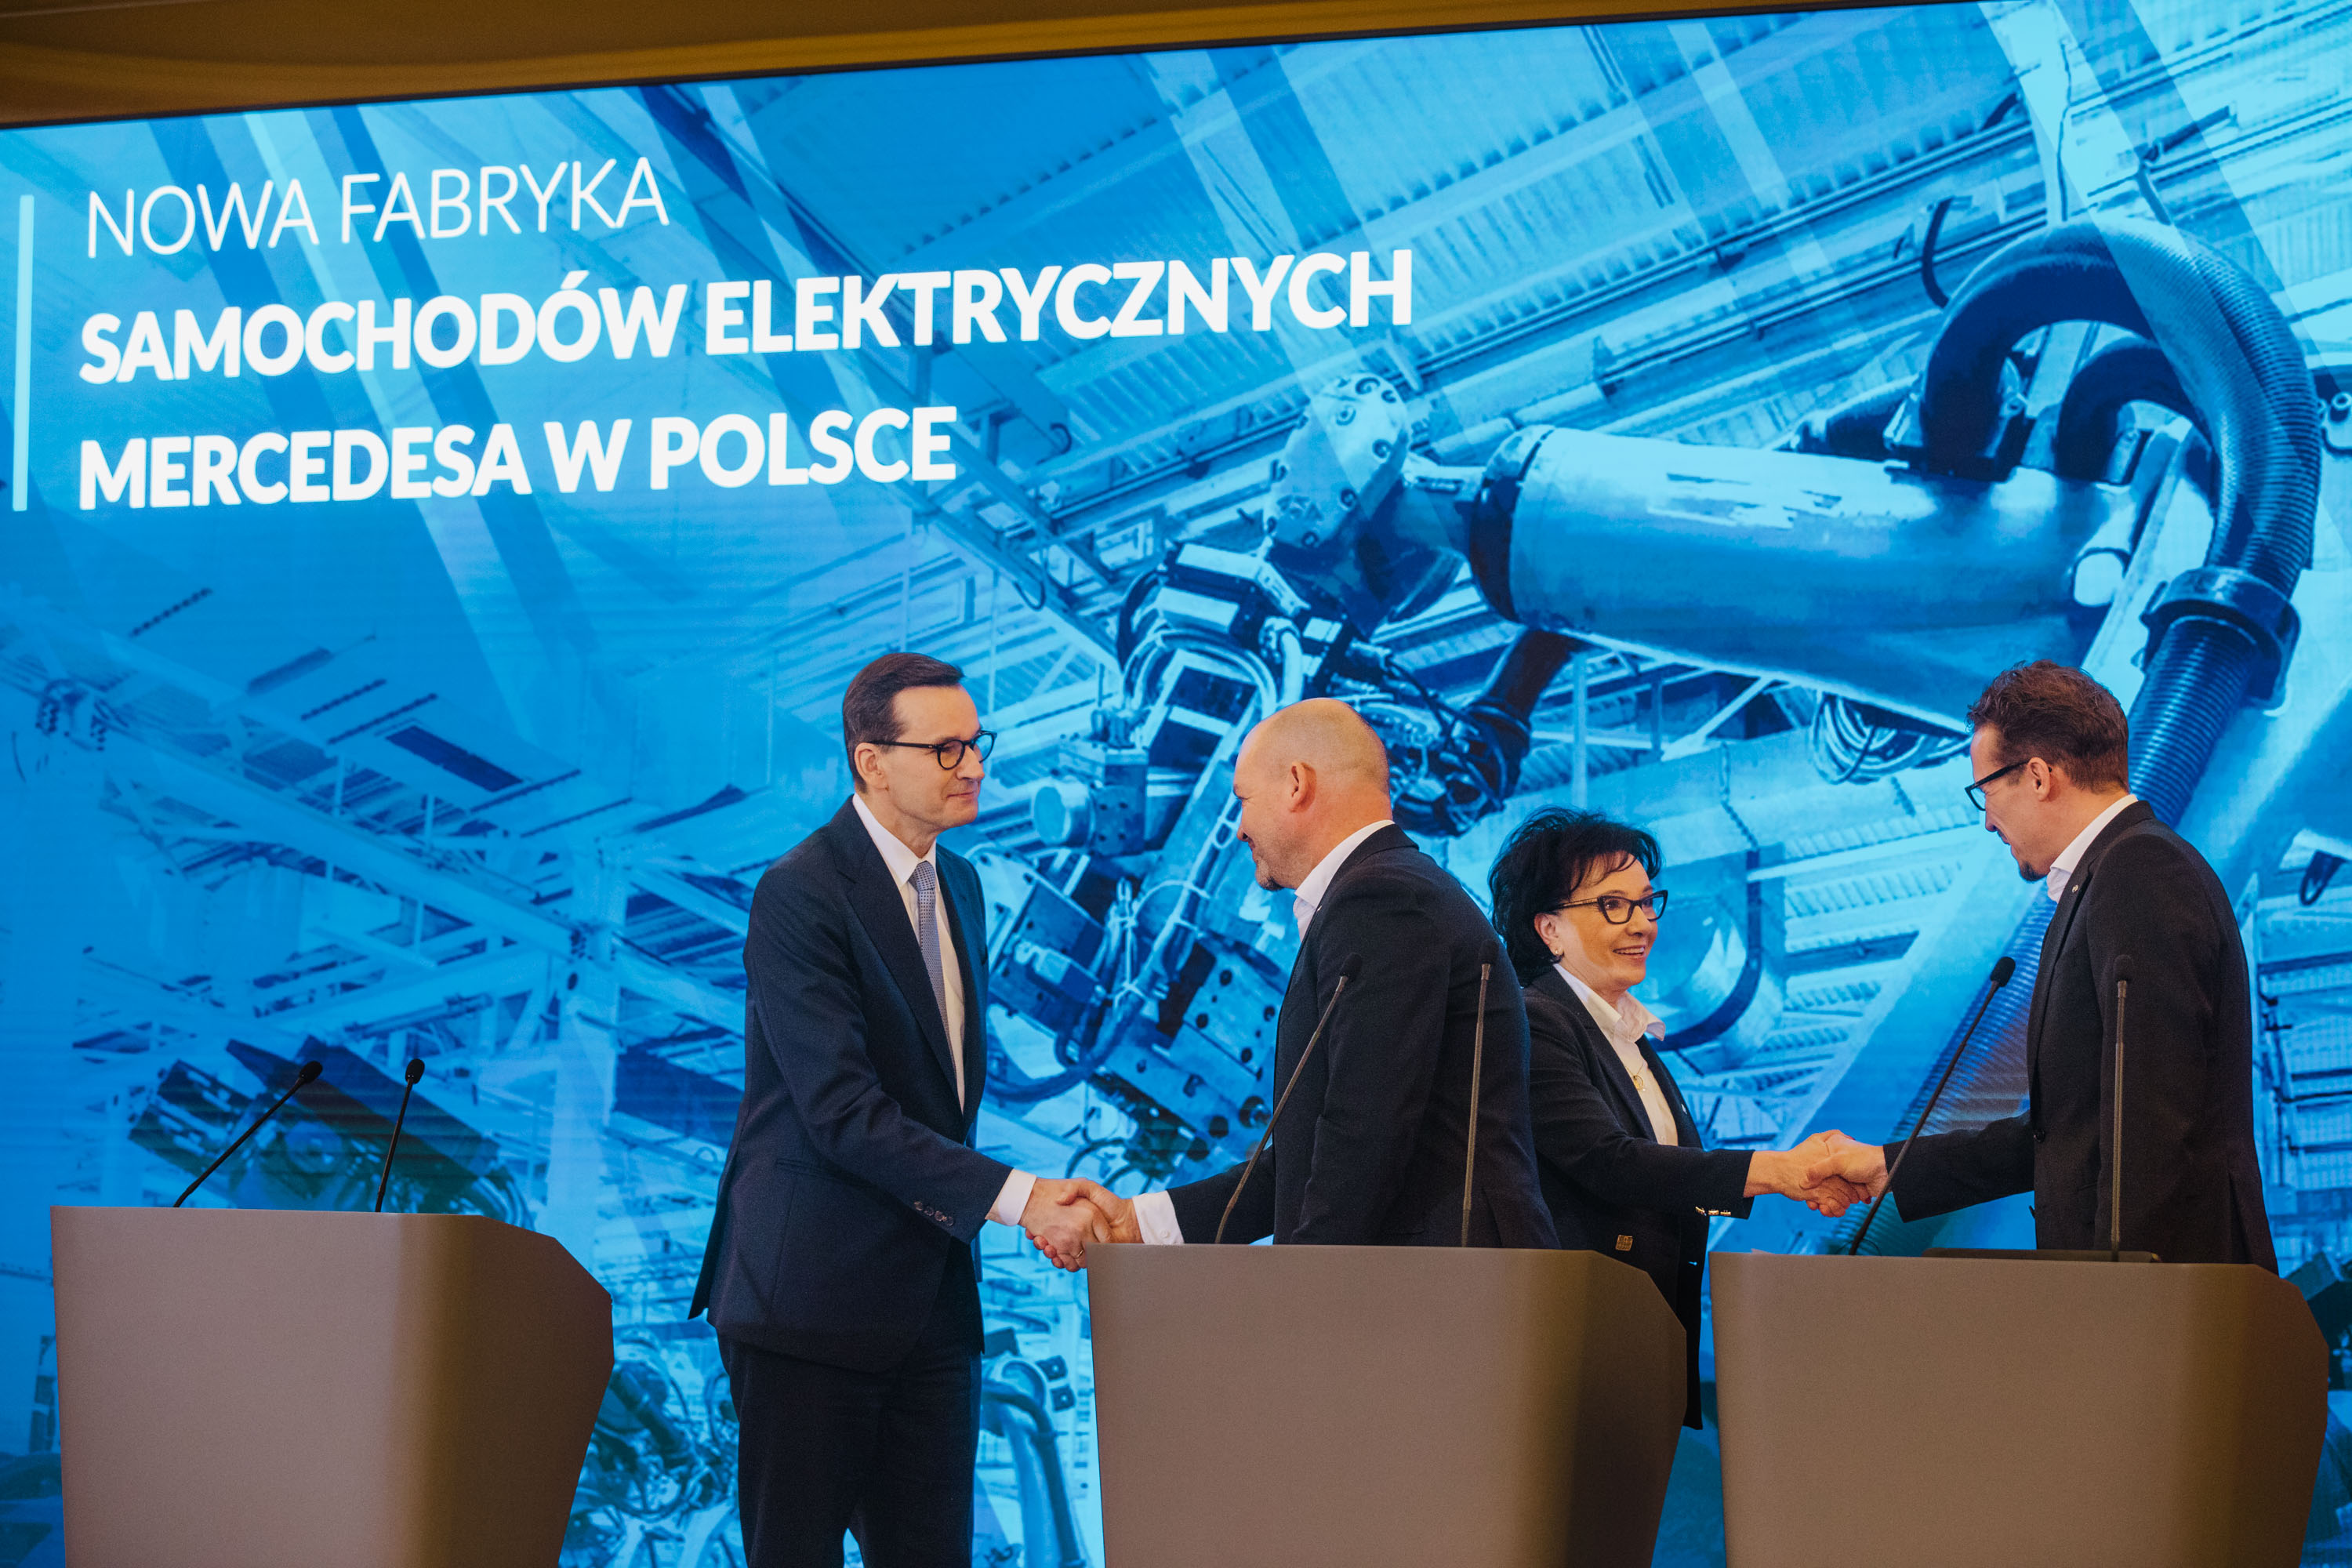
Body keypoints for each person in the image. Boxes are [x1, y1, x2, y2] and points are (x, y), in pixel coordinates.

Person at [688, 652, 1111, 1568]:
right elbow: (842, 1109)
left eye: (977, 742)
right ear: (871, 761)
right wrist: (1022, 1198)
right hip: (807, 1303)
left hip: (931, 1307)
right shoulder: (799, 890)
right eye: (946, 748)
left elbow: (939, 1095)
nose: (974, 765)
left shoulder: (961, 886)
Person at [1804, 660, 2275, 1268]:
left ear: (2037, 776)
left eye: (1986, 790)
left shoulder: (2137, 872)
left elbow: (2152, 1122)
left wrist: (2122, 1294)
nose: (1986, 820)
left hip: (2167, 1296)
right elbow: (2072, 1131)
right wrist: (1887, 1166)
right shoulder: (2106, 879)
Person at [1043, 697, 1557, 1253]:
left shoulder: (1382, 900)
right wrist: (1138, 1221)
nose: (1239, 829)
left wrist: (1299, 1283)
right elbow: (1315, 1156)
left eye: (1243, 800)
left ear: (1296, 784)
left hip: (1434, 1287)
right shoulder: (1389, 892)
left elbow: (1363, 1139)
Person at [1487, 807, 1862, 1428]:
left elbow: (1672, 1173)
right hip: (1575, 1350)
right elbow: (1609, 1162)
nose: (1642, 923)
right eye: (1613, 906)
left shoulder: (1631, 1036)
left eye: (1645, 903)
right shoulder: (1535, 1021)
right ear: (1549, 929)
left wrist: (1796, 1177)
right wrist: (1780, 1172)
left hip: (1645, 1341)